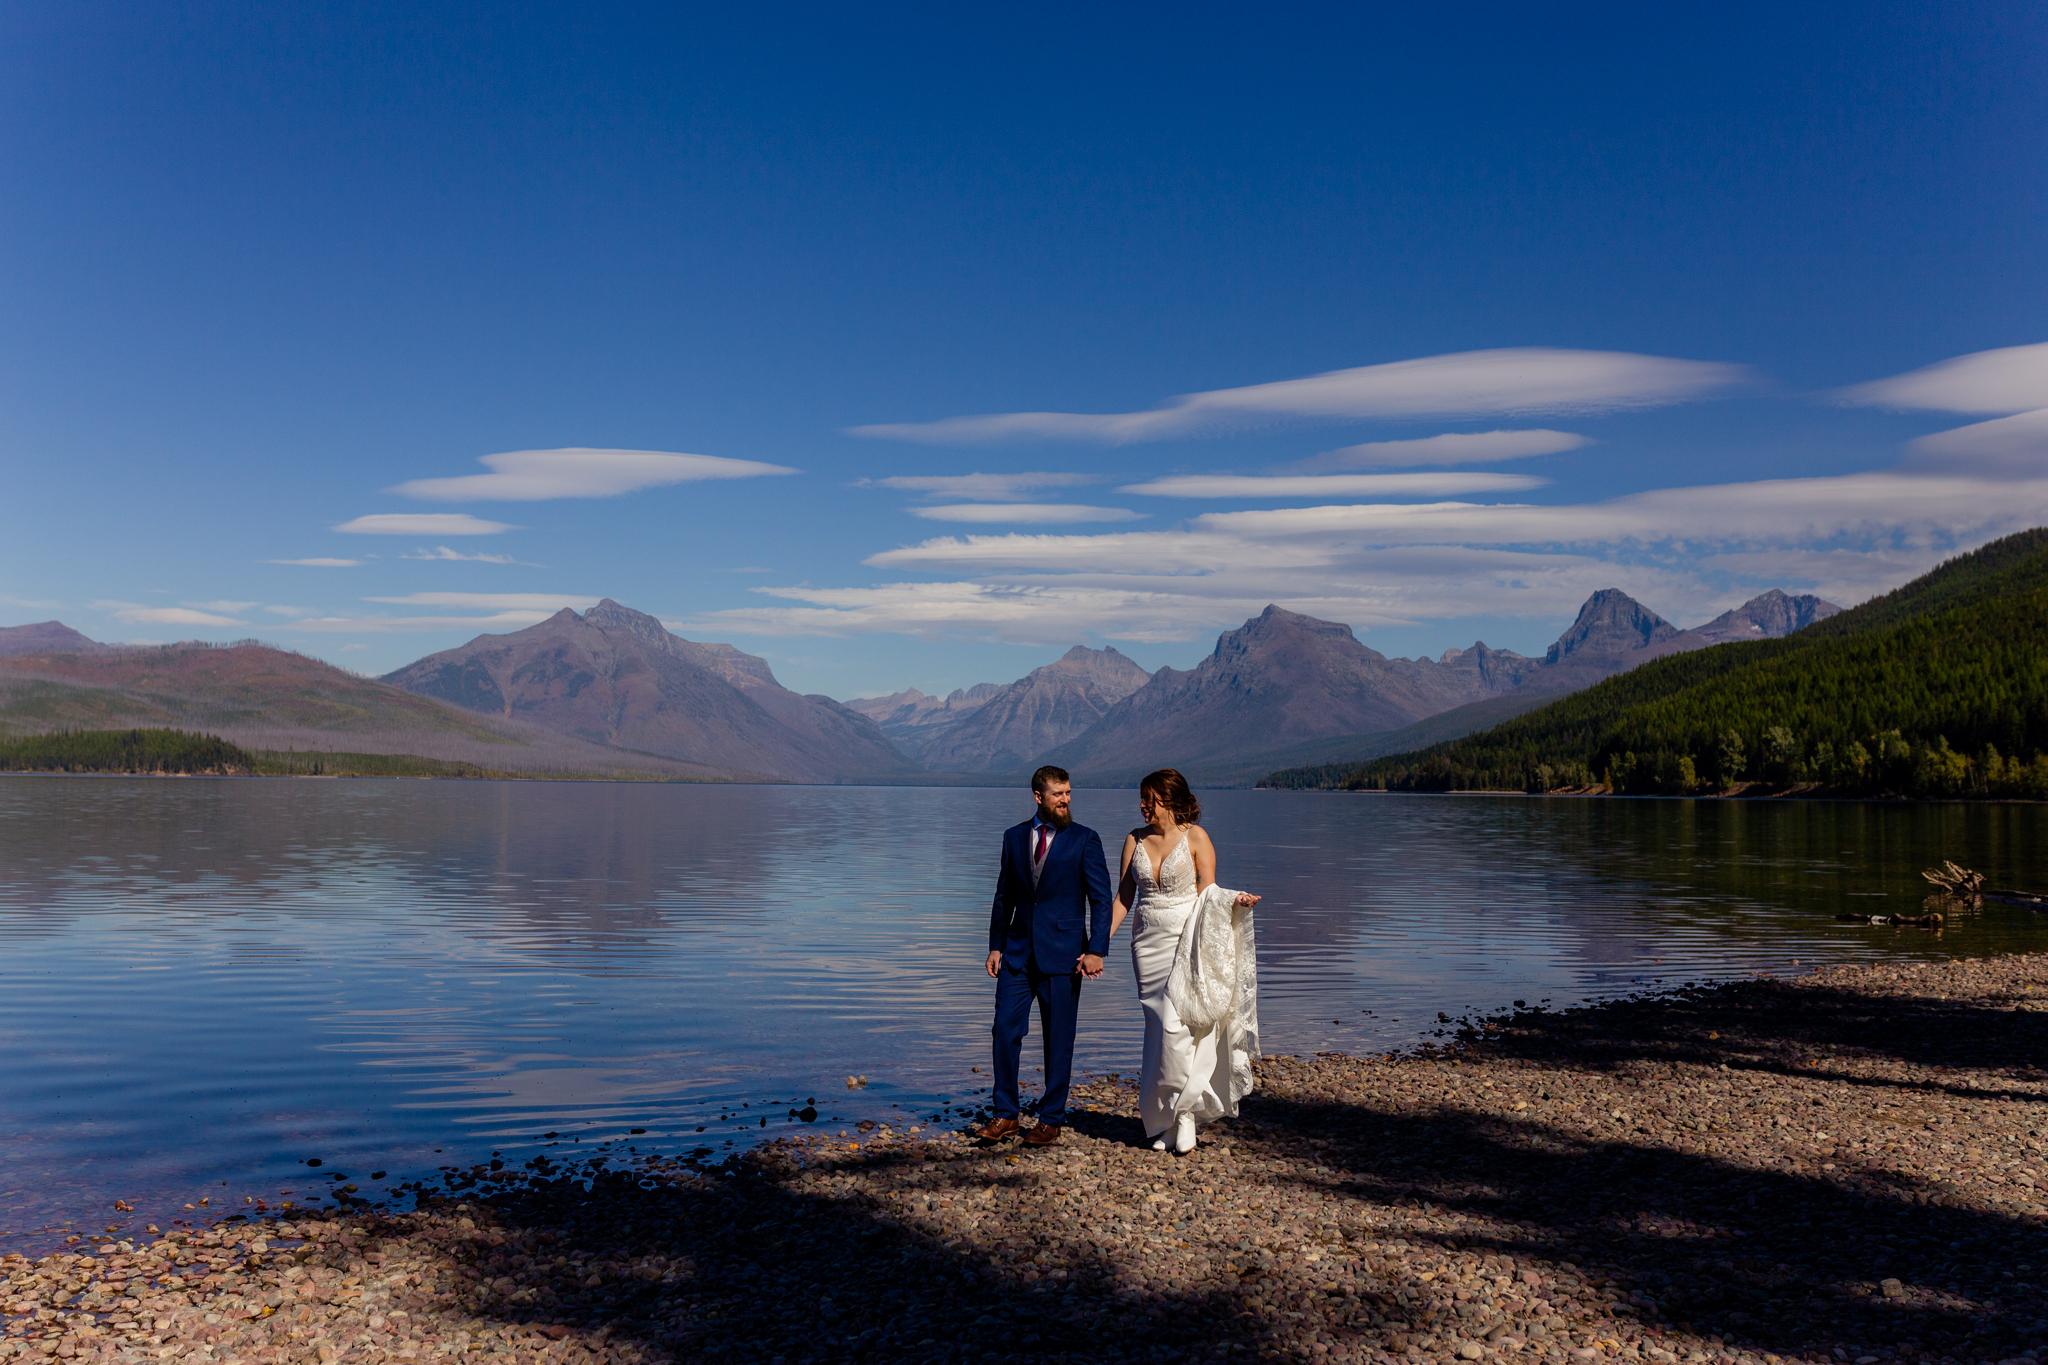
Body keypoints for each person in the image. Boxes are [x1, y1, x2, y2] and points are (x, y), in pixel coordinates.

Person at [1107, 768, 1261, 1154]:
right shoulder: (1134, 839)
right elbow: (1124, 897)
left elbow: (1209, 893)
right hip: (1146, 944)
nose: (1144, 805)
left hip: (1186, 940)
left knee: (1178, 1026)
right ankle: (1167, 1120)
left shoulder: (1196, 837)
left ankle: (1187, 1111)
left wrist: (1235, 901)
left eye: (1151, 799)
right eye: (1143, 798)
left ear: (1170, 799)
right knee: (1158, 1030)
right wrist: (1098, 942)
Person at [973, 765, 1114, 1147]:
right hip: (1017, 954)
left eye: (1068, 793)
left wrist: (1096, 949)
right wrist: (996, 945)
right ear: (1039, 796)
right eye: (1058, 794)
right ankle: (1005, 1114)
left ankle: (1051, 1118)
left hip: (1065, 955)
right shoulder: (1013, 837)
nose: (1066, 800)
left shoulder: (1085, 839)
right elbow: (1003, 896)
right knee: (1004, 1030)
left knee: (1058, 1037)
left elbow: (1101, 899)